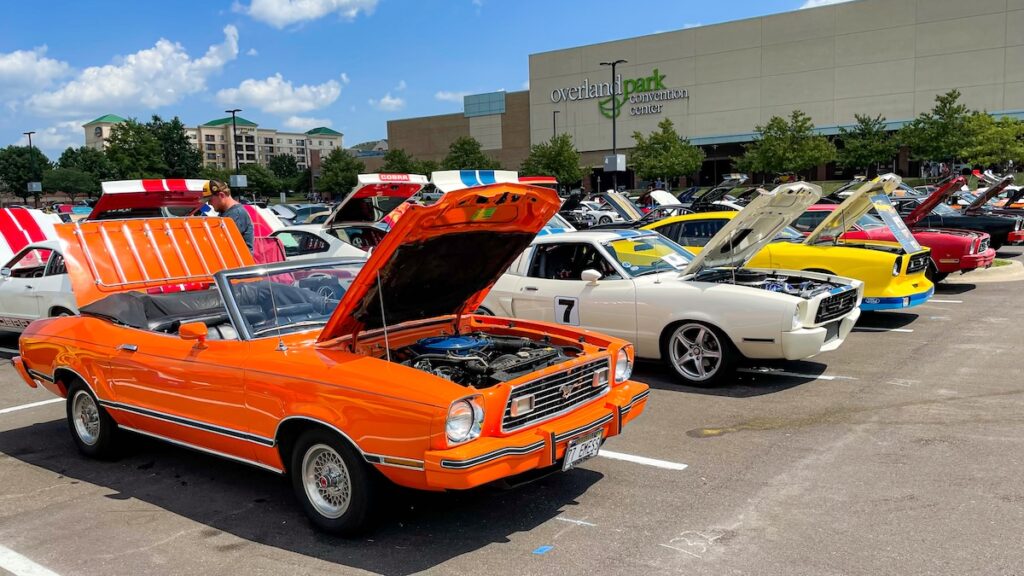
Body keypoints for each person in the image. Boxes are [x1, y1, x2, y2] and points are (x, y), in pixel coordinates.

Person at [202, 180, 254, 252]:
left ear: (222, 195)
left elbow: (222, 243)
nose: (209, 203)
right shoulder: (225, 213)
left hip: (240, 262)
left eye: (210, 200)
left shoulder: (236, 214)